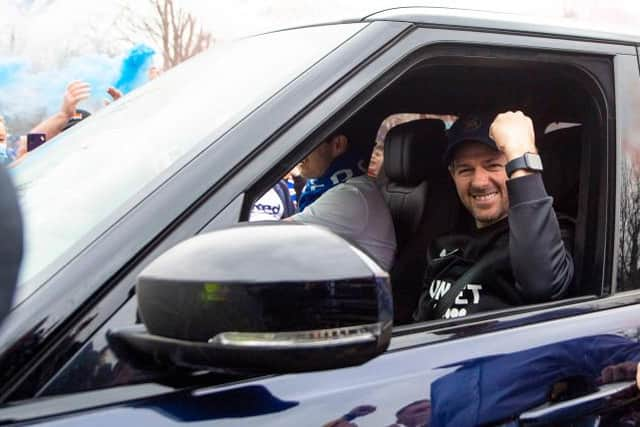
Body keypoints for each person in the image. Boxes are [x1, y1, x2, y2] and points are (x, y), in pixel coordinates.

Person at [414, 111, 574, 321]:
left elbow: (541, 284)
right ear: (452, 175)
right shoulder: (441, 247)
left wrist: (521, 155)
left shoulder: (550, 236)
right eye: (465, 170)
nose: (479, 182)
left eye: (493, 165)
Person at [290, 133, 397, 271]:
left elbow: (274, 236)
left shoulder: (351, 195)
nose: (295, 149)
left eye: (306, 141)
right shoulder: (324, 187)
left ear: (337, 145)